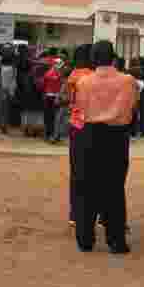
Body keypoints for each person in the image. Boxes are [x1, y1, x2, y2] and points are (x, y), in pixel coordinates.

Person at [71, 41, 138, 254]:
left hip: (87, 136)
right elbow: (132, 108)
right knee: (114, 189)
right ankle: (116, 241)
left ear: (93, 59)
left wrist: (76, 139)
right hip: (116, 138)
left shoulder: (83, 82)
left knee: (85, 187)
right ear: (114, 57)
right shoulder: (128, 81)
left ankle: (85, 239)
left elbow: (77, 113)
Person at [66, 45, 94, 226]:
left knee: (76, 170)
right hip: (93, 123)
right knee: (94, 171)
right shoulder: (92, 76)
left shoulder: (72, 76)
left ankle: (75, 214)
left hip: (76, 124)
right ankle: (95, 211)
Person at [42, 57, 64, 142]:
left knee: (53, 117)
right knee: (51, 117)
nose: (61, 67)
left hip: (54, 97)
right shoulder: (52, 73)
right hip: (51, 97)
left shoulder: (55, 73)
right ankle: (49, 135)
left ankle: (52, 135)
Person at [0, 47, 18, 135]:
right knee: (6, 109)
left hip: (3, 88)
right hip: (8, 89)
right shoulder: (13, 67)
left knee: (3, 108)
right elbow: (14, 79)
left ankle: (3, 126)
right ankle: (4, 126)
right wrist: (12, 91)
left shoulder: (1, 64)